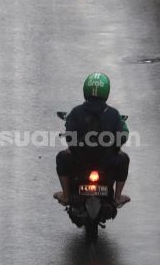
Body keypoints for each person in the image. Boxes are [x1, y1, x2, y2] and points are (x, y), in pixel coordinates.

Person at [54, 72, 130, 209]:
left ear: (85, 90)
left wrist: (74, 147)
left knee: (61, 157)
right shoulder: (113, 114)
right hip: (107, 162)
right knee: (124, 159)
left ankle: (65, 195)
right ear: (106, 92)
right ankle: (118, 197)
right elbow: (121, 137)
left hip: (80, 161)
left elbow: (70, 137)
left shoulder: (76, 112)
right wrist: (115, 148)